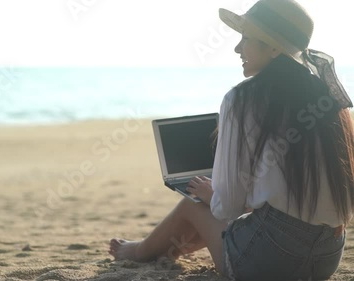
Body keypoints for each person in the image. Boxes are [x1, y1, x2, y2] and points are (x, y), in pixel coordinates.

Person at [108, 0, 354, 280]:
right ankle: (172, 247)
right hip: (327, 256)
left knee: (195, 203)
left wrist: (212, 193)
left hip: (271, 262)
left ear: (274, 48)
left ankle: (140, 251)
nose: (238, 48)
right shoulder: (327, 98)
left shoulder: (243, 98)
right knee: (239, 209)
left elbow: (227, 206)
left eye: (246, 39)